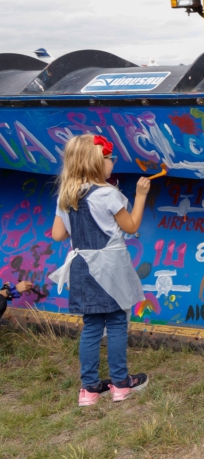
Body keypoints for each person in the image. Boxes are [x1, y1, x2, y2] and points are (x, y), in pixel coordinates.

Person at [48, 134, 150, 407]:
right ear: (96, 163)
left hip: (81, 267)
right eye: (109, 159)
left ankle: (90, 389)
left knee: (92, 326)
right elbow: (131, 227)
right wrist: (140, 196)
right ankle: (120, 384)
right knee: (116, 322)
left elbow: (58, 234)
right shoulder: (109, 194)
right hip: (109, 267)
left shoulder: (66, 195)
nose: (112, 163)